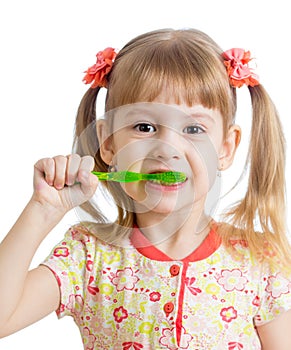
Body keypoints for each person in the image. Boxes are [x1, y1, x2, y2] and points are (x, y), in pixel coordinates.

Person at [0, 28, 291, 350]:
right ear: (108, 144)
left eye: (194, 128)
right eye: (144, 127)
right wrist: (42, 211)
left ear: (225, 148)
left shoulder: (259, 259)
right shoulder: (88, 256)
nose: (167, 149)